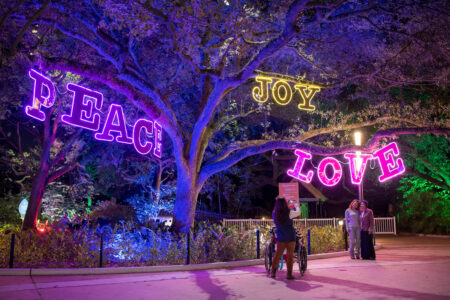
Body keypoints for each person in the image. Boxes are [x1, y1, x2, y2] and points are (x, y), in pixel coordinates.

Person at [270, 197, 298, 279]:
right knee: (290, 256)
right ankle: (289, 275)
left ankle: (273, 272)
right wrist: (295, 205)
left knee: (278, 255)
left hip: (281, 236)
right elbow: (298, 213)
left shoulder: (274, 213)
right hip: (290, 236)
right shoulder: (289, 212)